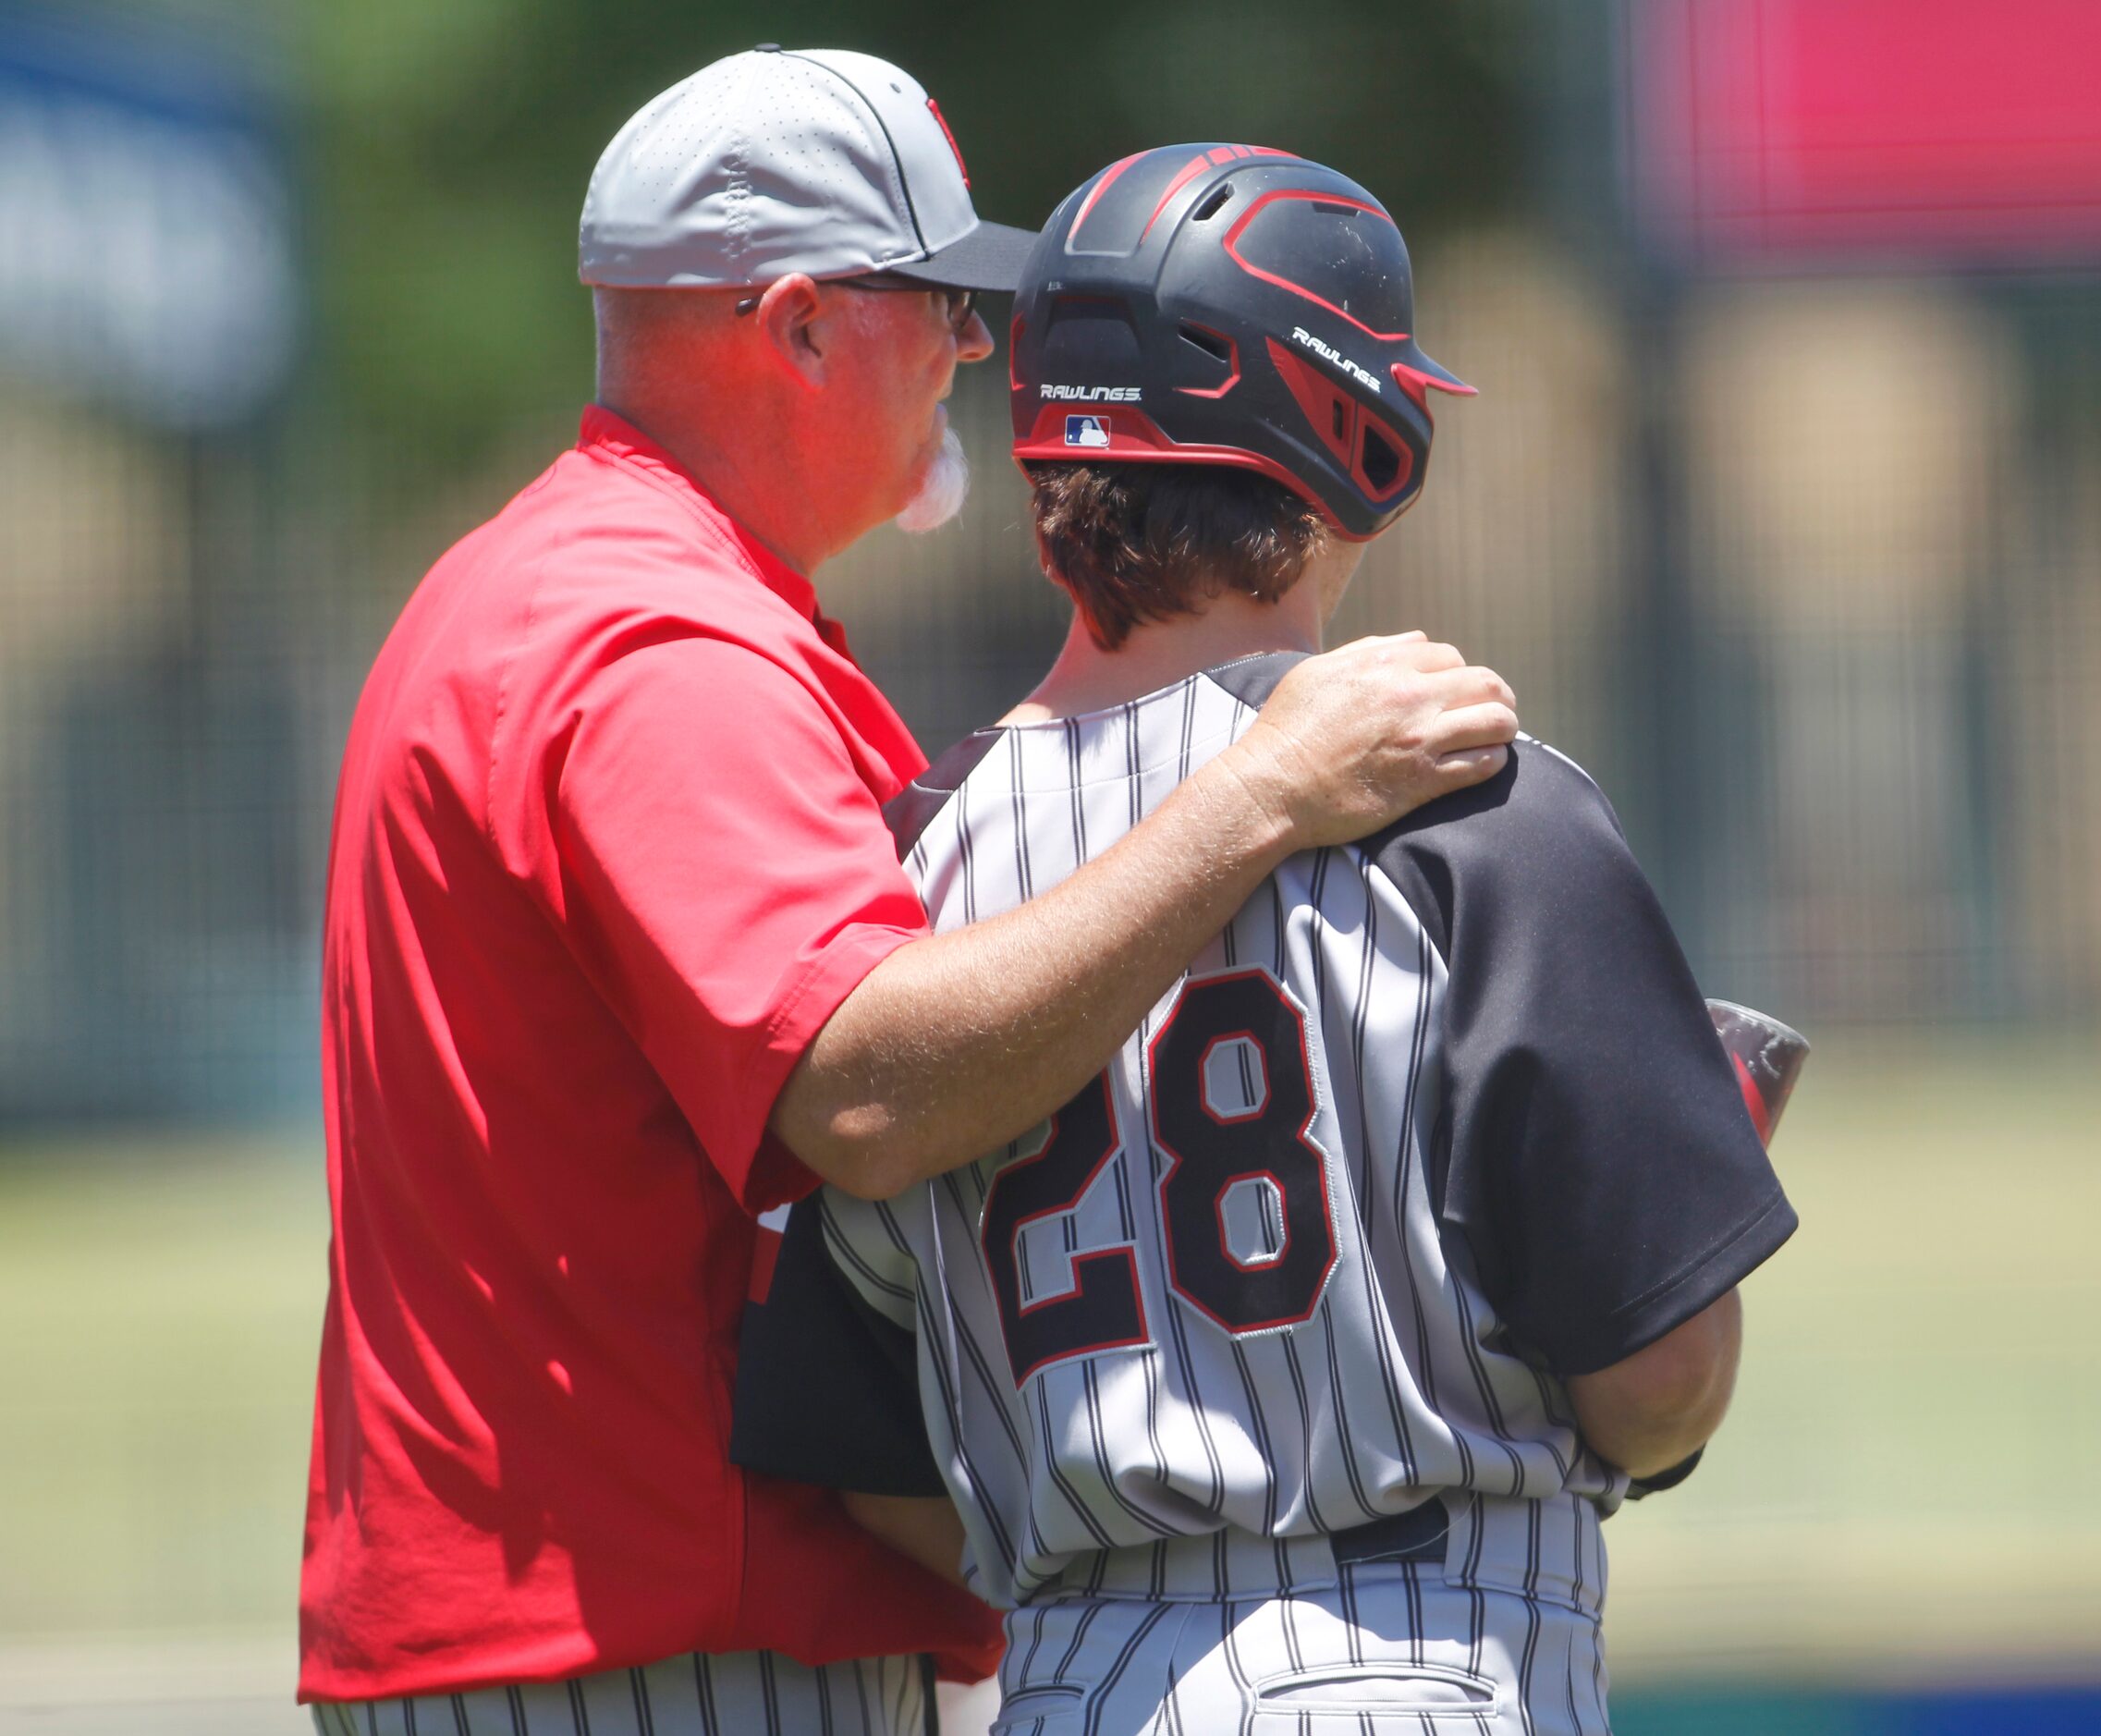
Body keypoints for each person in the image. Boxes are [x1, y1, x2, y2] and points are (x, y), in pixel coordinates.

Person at [299, 52, 1522, 1736]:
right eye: (937, 301)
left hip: (595, 1619)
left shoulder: (564, 584)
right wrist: (1263, 795)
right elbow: (866, 1085)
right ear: (799, 327)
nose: (975, 347)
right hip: (648, 1629)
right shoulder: (655, 647)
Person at [731, 143, 1798, 1735]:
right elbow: (1657, 1386)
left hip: (1077, 1678)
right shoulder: (1475, 805)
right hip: (1433, 1650)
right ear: (1360, 435)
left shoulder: (911, 867)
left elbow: (882, 1478)